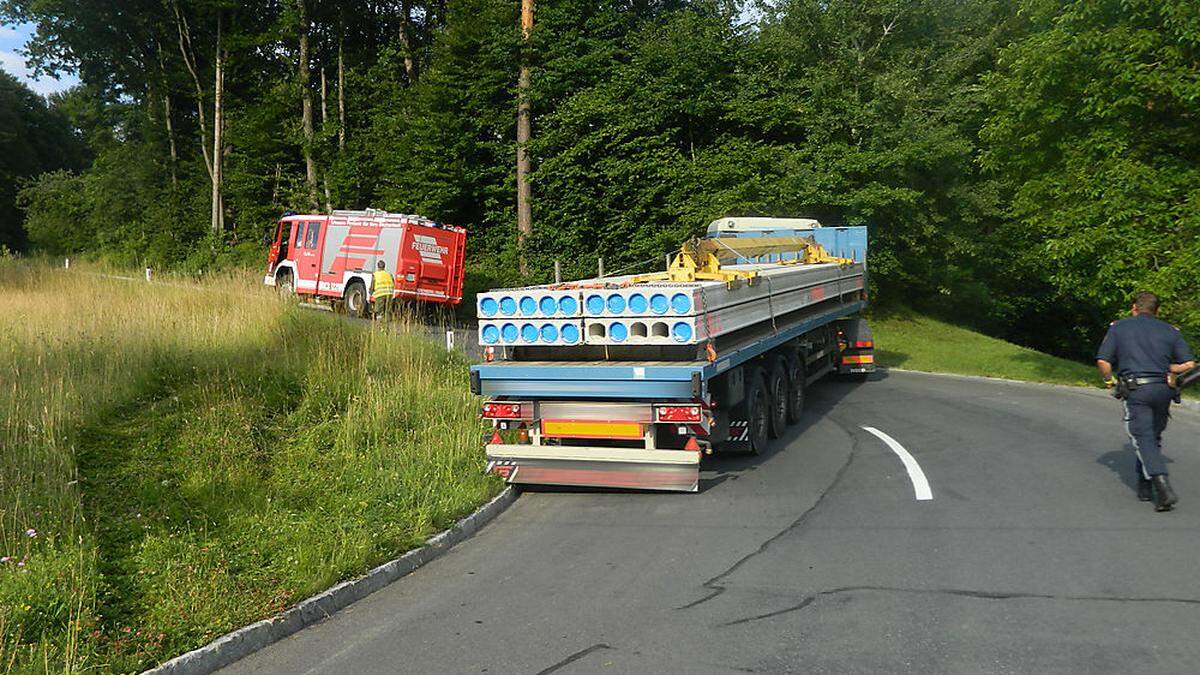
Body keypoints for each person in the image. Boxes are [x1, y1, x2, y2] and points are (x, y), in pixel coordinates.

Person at [1096, 291, 1195, 511]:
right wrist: (1166, 368)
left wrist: (1110, 382)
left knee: (1142, 437)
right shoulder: (1170, 331)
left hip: (1137, 390)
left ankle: (1163, 488)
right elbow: (1188, 364)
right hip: (1163, 389)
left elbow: (1103, 361)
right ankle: (1144, 485)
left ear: (1134, 308)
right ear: (1157, 311)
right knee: (1153, 436)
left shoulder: (1119, 327)